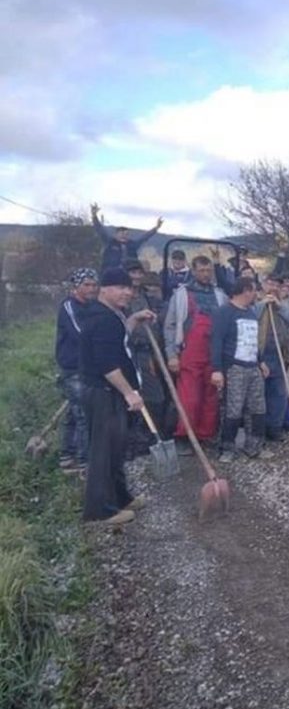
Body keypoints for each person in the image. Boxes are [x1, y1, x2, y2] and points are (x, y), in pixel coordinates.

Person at [78, 267, 156, 525]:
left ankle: (120, 498)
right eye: (120, 288)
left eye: (129, 288)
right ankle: (99, 511)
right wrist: (129, 393)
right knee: (103, 451)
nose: (127, 292)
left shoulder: (112, 315)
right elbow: (107, 364)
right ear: (104, 288)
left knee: (115, 448)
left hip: (110, 393)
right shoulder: (101, 318)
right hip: (105, 393)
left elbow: (119, 340)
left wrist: (134, 319)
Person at [163, 256, 228, 451]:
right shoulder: (181, 295)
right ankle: (184, 437)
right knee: (190, 398)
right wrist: (171, 355)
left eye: (209, 271)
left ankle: (205, 435)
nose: (206, 274)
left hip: (214, 353)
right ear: (193, 270)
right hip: (190, 352)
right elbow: (170, 326)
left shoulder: (220, 295)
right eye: (201, 271)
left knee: (211, 396)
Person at [211, 278, 273, 461]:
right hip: (234, 367)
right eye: (254, 290)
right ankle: (227, 448)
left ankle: (254, 446)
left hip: (253, 367)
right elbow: (216, 341)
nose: (256, 294)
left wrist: (261, 361)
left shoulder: (251, 312)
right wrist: (217, 369)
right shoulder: (224, 312)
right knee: (233, 409)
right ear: (245, 290)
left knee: (257, 408)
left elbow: (254, 340)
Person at [55, 267, 99, 475]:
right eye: (86, 285)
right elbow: (80, 334)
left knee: (74, 413)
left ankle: (67, 456)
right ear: (76, 287)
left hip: (85, 366)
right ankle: (85, 463)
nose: (91, 288)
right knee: (84, 414)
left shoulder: (91, 306)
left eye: (93, 285)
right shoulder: (69, 306)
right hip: (73, 366)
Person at [124, 259, 164, 458]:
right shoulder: (121, 299)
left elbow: (157, 324)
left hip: (147, 351)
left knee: (155, 397)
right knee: (131, 398)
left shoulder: (148, 297)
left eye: (139, 273)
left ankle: (149, 438)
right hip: (128, 353)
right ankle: (132, 443)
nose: (136, 277)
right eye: (132, 273)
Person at [257, 274, 289, 441]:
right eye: (270, 283)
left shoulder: (285, 305)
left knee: (279, 394)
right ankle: (257, 431)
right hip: (260, 356)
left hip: (280, 355)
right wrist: (262, 305)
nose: (273, 287)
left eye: (276, 285)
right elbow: (249, 317)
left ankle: (274, 428)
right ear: (264, 285)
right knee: (259, 395)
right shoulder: (255, 301)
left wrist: (279, 307)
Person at [91, 202, 164, 271]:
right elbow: (100, 230)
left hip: (128, 272)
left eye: (126, 234)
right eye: (122, 234)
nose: (124, 236)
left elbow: (144, 237)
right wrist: (94, 216)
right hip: (110, 272)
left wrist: (156, 228)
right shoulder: (110, 242)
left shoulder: (132, 244)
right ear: (116, 234)